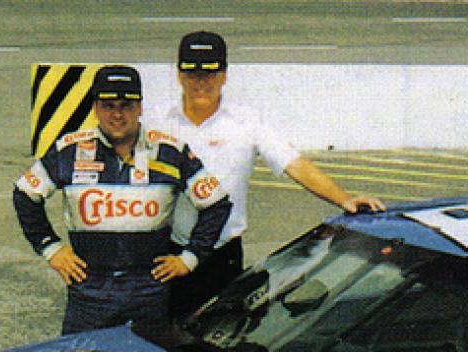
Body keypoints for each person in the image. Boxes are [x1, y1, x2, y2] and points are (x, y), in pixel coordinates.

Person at [162, 31, 385, 318]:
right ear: (179, 75)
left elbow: (294, 163)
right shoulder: (158, 121)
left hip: (223, 255)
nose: (200, 83)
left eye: (209, 74)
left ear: (224, 76)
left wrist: (344, 199)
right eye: (192, 74)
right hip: (170, 252)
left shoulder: (246, 121)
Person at [13, 65, 231, 342]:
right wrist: (51, 248)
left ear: (140, 107)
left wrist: (190, 258)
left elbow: (217, 204)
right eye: (108, 106)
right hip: (89, 290)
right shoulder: (70, 150)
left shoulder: (169, 151)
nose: (118, 114)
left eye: (127, 105)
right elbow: (25, 194)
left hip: (149, 291)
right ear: (95, 108)